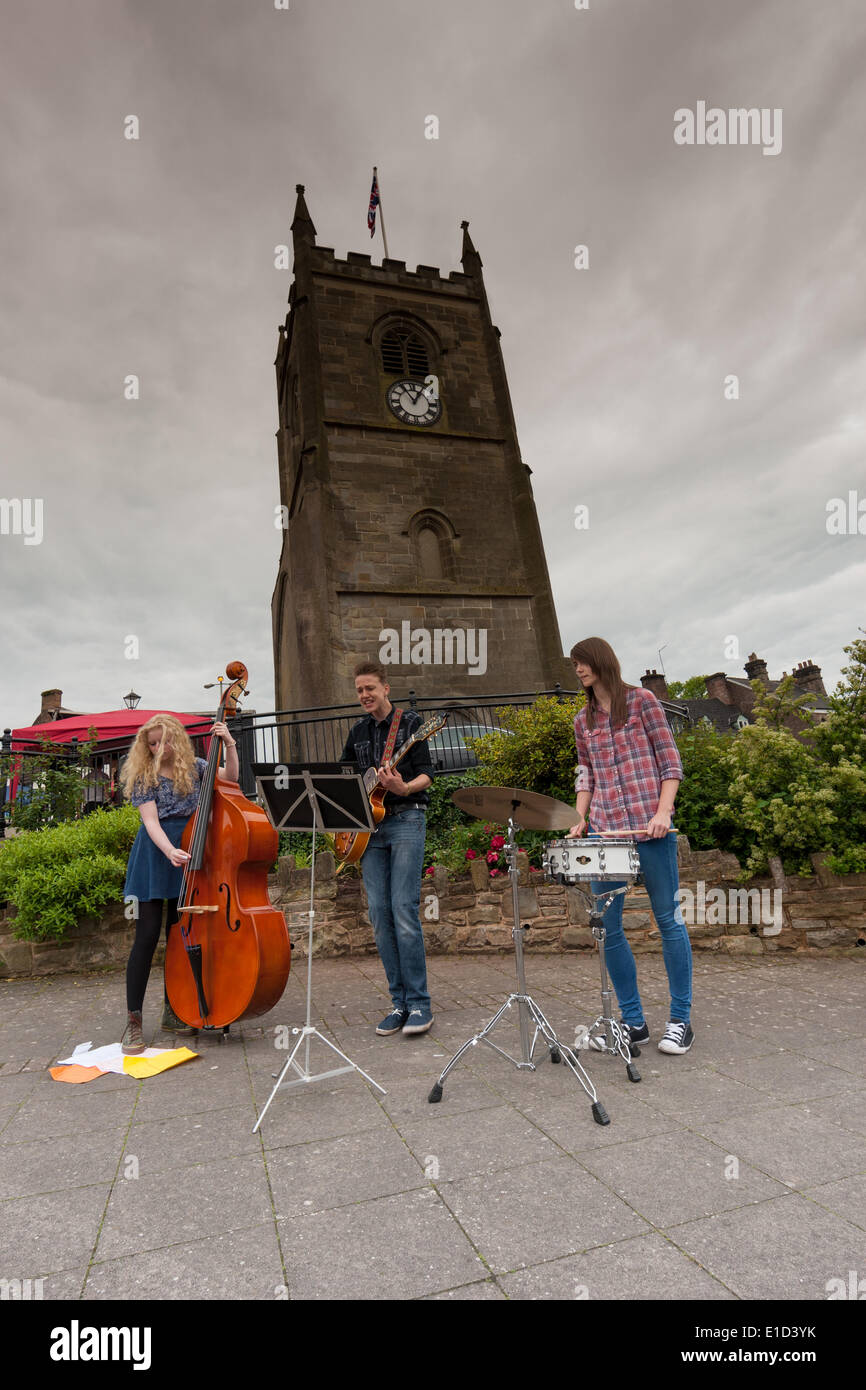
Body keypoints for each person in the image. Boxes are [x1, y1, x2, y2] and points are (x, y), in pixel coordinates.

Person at [568, 637, 694, 1054]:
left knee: (668, 920)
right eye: (574, 665)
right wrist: (580, 816)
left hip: (650, 828)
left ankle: (680, 1021)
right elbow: (586, 772)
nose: (578, 670)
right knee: (609, 927)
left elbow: (670, 761)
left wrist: (664, 812)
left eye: (582, 662)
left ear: (601, 661)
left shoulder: (642, 702)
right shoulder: (581, 720)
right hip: (607, 833)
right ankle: (633, 1022)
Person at [119, 713, 238, 1054]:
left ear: (176, 739)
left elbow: (230, 777)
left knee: (179, 936)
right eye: (152, 743)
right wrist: (170, 849)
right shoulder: (144, 775)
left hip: (191, 853)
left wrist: (228, 742)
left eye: (163, 741)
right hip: (157, 856)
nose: (158, 748)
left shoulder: (197, 766)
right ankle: (134, 1021)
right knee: (146, 937)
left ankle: (175, 1010)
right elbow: (151, 822)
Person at [340, 662, 435, 1036]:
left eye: (370, 689)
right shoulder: (358, 731)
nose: (364, 695)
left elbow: (429, 771)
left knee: (403, 910)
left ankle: (420, 1005)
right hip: (369, 830)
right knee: (379, 914)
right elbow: (345, 777)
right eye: (359, 690)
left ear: (386, 688)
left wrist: (405, 787)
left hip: (407, 818)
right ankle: (399, 1003)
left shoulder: (411, 725)